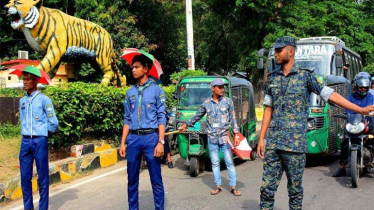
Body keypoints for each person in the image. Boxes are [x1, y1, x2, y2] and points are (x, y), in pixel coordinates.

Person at [258, 36, 374, 210]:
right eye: (274, 51)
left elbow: (332, 96)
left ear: (291, 51)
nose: (275, 54)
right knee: (267, 189)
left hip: (295, 145)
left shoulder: (306, 76)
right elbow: (268, 108)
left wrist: (360, 110)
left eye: (279, 50)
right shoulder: (273, 78)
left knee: (295, 191)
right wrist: (262, 138)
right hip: (274, 143)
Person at [179, 78, 242, 196]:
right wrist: (185, 125)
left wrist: (236, 134)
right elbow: (197, 116)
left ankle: (233, 186)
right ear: (213, 88)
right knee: (215, 163)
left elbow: (233, 118)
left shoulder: (228, 102)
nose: (222, 89)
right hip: (212, 138)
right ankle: (218, 185)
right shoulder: (206, 103)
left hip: (224, 138)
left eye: (223, 87)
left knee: (229, 162)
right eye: (219, 87)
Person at [119, 54, 166, 210]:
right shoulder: (130, 92)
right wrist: (123, 142)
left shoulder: (157, 91)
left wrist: (161, 141)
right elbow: (127, 119)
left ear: (146, 69)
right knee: (132, 179)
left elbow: (161, 117)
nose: (133, 70)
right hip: (133, 139)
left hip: (151, 138)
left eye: (137, 67)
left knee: (156, 179)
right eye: (132, 67)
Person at [19, 66, 59, 210]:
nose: (25, 82)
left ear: (36, 81)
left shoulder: (44, 100)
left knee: (42, 177)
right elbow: (23, 121)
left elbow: (53, 123)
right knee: (24, 178)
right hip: (25, 142)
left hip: (39, 141)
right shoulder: (22, 101)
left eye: (28, 79)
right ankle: (28, 207)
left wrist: (43, 134)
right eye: (24, 79)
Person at [333, 73, 374, 177]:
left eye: (365, 88)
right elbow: (346, 109)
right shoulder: (350, 97)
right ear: (356, 86)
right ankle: (342, 167)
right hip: (353, 123)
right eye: (361, 87)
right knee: (344, 142)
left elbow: (370, 108)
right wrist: (342, 113)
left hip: (367, 122)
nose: (363, 89)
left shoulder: (370, 97)